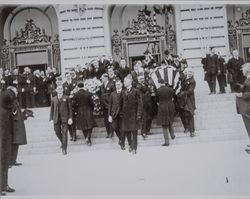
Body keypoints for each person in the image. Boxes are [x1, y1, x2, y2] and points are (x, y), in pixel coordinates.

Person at [0, 86, 17, 195]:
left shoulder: (6, 109)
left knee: (5, 163)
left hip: (6, 139)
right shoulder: (3, 109)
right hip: (2, 140)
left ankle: (4, 185)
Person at [120, 75, 142, 154]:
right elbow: (120, 103)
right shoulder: (123, 91)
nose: (124, 83)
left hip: (134, 114)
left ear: (130, 82)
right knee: (127, 131)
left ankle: (134, 148)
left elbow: (140, 104)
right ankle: (130, 145)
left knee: (134, 132)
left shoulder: (136, 91)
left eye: (125, 81)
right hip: (125, 115)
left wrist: (139, 114)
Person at [50, 86, 73, 155]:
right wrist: (51, 118)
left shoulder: (67, 97)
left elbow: (70, 108)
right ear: (56, 90)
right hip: (56, 118)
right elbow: (52, 109)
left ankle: (64, 149)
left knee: (65, 133)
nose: (60, 90)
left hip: (65, 118)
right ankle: (63, 142)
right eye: (58, 89)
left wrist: (70, 118)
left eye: (61, 89)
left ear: (63, 90)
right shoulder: (53, 99)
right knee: (57, 131)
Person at [235, 63, 250, 154]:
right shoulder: (247, 79)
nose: (242, 70)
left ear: (248, 70)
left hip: (248, 107)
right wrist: (240, 87)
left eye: (243, 68)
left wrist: (242, 95)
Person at [177, 69, 196, 137]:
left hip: (189, 100)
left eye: (191, 72)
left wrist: (181, 93)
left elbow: (190, 91)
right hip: (183, 100)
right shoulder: (185, 78)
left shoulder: (192, 81)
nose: (189, 73)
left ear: (192, 73)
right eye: (188, 72)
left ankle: (192, 131)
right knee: (183, 115)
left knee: (190, 115)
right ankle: (187, 128)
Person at [156, 79, 175, 146]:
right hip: (170, 106)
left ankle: (167, 142)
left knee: (164, 125)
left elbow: (156, 100)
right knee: (169, 121)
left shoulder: (158, 90)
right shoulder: (170, 89)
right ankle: (172, 135)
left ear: (159, 83)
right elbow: (174, 96)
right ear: (164, 83)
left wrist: (158, 103)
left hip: (162, 107)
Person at [108, 78, 123, 149]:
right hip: (114, 114)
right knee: (115, 127)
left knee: (122, 128)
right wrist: (109, 115)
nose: (118, 86)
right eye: (116, 84)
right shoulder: (112, 94)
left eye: (119, 84)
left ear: (122, 85)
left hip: (122, 114)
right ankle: (120, 138)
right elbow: (110, 105)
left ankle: (121, 141)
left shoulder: (124, 92)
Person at [100, 73, 115, 138]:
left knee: (110, 118)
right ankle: (108, 132)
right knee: (105, 120)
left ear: (106, 78)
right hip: (104, 105)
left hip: (109, 104)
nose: (102, 79)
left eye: (102, 78)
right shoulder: (101, 86)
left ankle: (111, 132)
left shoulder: (111, 85)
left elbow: (114, 94)